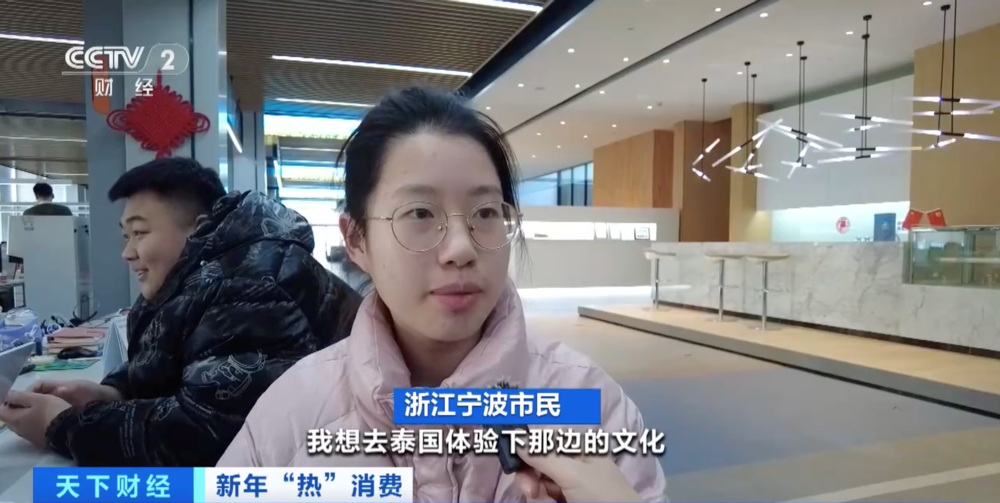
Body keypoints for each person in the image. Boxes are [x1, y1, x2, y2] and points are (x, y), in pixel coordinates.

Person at [217, 88, 667, 502]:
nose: (461, 249)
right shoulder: (292, 414)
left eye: (485, 212)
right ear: (355, 239)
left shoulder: (589, 402)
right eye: (419, 213)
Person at [0, 158, 361, 466]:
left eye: (140, 233)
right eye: (126, 235)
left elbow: (205, 433)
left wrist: (62, 425)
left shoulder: (251, 284)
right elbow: (172, 357)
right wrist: (111, 393)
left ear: (199, 230)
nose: (127, 252)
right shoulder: (199, 277)